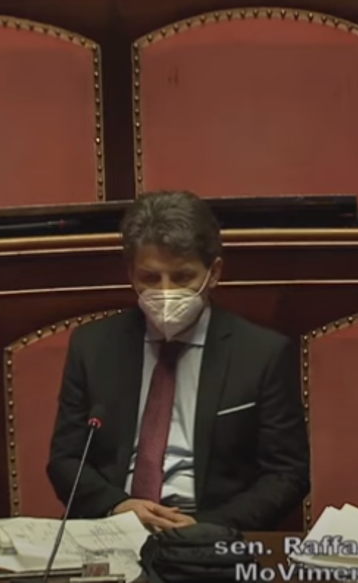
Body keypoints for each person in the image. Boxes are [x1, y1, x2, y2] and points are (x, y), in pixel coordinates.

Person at [47, 190, 309, 531]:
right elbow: (66, 460)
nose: (166, 292)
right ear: (131, 274)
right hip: (116, 526)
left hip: (212, 529)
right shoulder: (93, 346)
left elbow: (287, 475)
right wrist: (116, 506)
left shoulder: (262, 354)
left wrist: (204, 527)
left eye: (182, 277)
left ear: (214, 273)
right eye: (150, 278)